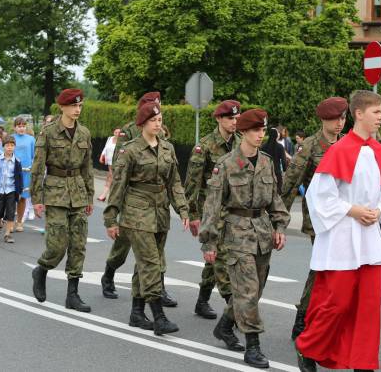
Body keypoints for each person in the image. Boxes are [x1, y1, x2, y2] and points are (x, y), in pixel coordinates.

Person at [295, 90, 381, 372]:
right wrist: (352, 210)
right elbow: (320, 196)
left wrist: (379, 212)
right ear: (359, 114)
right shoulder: (340, 150)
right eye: (376, 112)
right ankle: (308, 347)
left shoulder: (379, 152)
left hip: (369, 241)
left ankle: (363, 363)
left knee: (368, 307)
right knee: (337, 303)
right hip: (342, 237)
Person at [201, 108, 289, 368]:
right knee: (248, 292)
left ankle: (225, 326)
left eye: (263, 130)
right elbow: (212, 206)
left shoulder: (266, 162)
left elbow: (275, 199)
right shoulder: (226, 165)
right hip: (236, 234)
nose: (261, 135)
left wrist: (280, 227)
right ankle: (253, 347)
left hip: (262, 232)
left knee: (254, 291)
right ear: (243, 133)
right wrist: (209, 241)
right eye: (255, 130)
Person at [103, 102, 189, 335]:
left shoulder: (167, 148)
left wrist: (182, 209)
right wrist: (111, 218)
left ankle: (137, 313)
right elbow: (118, 186)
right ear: (142, 124)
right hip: (136, 212)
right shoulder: (130, 150)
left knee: (147, 264)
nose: (158, 124)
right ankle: (158, 316)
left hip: (160, 212)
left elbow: (175, 183)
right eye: (153, 120)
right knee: (152, 263)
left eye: (160, 120)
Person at [281, 96, 348, 340]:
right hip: (319, 220)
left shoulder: (348, 144)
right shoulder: (309, 146)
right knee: (321, 270)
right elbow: (290, 184)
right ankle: (303, 319)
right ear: (323, 119)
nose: (339, 123)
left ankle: (325, 320)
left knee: (341, 272)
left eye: (342, 118)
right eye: (333, 119)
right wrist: (279, 222)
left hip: (346, 217)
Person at [30, 88, 94, 313]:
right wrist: (36, 198)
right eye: (73, 106)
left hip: (77, 191)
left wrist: (89, 195)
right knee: (57, 245)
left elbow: (87, 167)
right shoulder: (48, 132)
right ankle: (42, 269)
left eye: (80, 106)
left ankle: (73, 295)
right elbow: (37, 168)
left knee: (78, 245)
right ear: (63, 107)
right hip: (55, 192)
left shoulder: (84, 133)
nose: (77, 110)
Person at [184, 100, 240, 327]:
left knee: (214, 258)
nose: (234, 122)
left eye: (237, 118)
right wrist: (193, 214)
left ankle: (202, 300)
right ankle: (233, 308)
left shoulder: (240, 144)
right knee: (221, 259)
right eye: (230, 118)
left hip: (234, 211)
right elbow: (192, 183)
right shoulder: (204, 146)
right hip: (211, 211)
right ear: (219, 119)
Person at [0, 136, 23, 243]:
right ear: (3, 147)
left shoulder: (17, 161)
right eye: (7, 145)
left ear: (15, 147)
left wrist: (19, 191)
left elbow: (19, 177)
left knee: (11, 212)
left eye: (12, 145)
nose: (10, 148)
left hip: (11, 190)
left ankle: (7, 234)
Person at [12, 117, 36, 232]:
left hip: (26, 172)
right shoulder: (11, 138)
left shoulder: (31, 139)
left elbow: (33, 156)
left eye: (23, 126)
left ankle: (20, 221)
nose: (21, 128)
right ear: (14, 127)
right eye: (19, 126)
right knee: (11, 197)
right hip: (12, 171)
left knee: (23, 198)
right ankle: (10, 221)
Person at [260, 127, 288, 194]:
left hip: (266, 172)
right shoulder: (280, 147)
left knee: (267, 192)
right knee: (277, 193)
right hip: (277, 172)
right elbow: (284, 161)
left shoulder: (263, 146)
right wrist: (284, 169)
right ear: (276, 135)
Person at [97, 127, 120, 202]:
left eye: (118, 133)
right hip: (109, 161)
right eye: (116, 132)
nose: (117, 134)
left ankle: (106, 195)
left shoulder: (122, 141)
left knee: (112, 177)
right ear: (114, 132)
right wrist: (101, 156)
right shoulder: (110, 138)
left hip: (117, 162)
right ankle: (106, 195)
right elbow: (105, 148)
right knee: (110, 177)